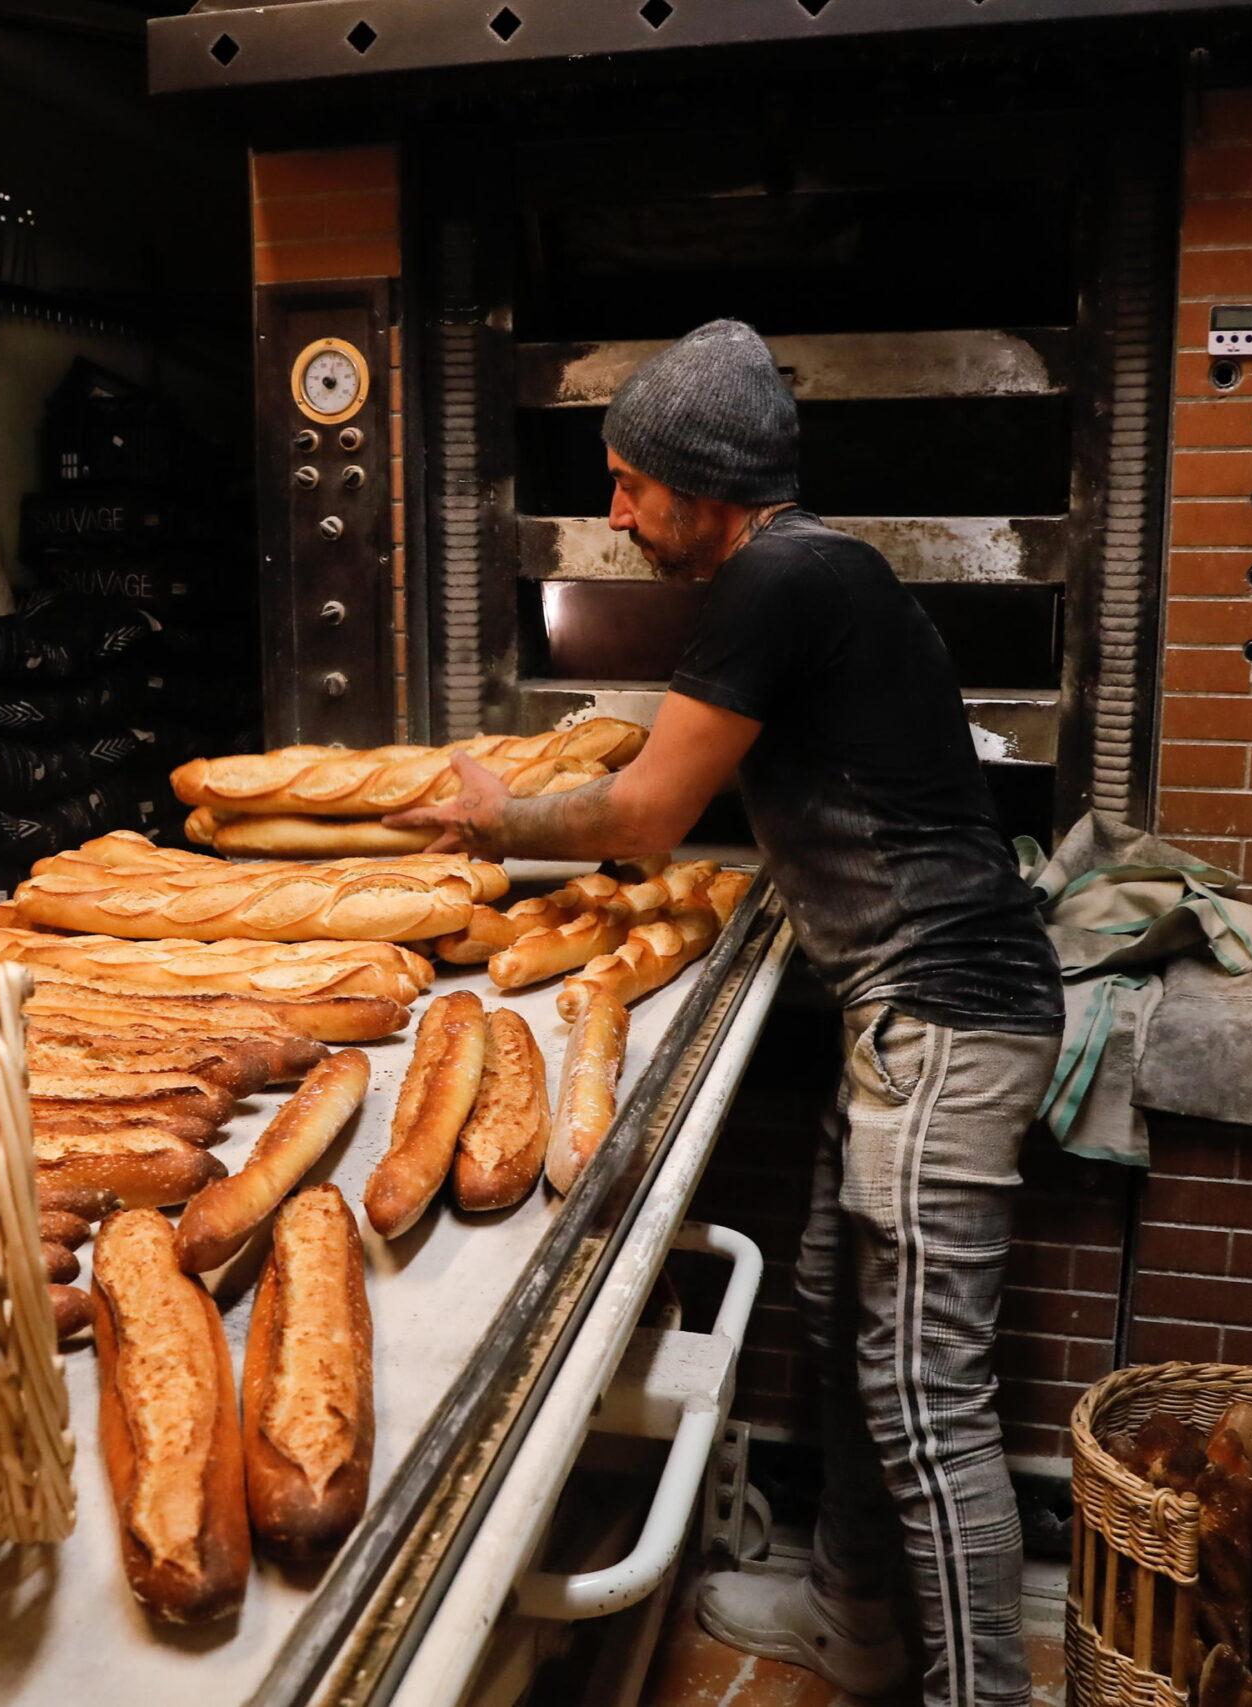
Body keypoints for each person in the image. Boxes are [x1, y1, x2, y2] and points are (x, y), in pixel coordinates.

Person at [386, 319, 1064, 1707]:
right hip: (906, 1016)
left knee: (929, 1407)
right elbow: (695, 758)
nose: (618, 512)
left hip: (947, 1017)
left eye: (634, 485)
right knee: (830, 1305)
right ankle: (852, 1622)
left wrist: (491, 808)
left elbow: (646, 815)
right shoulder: (812, 574)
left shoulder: (778, 578)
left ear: (707, 486)